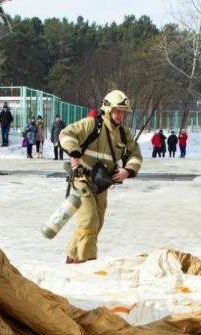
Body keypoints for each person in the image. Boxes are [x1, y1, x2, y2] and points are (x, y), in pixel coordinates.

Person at [59, 89, 143, 263]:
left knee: (95, 225)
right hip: (82, 180)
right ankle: (86, 262)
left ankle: (72, 258)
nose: (120, 115)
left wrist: (128, 170)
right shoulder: (91, 124)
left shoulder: (124, 134)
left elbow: (135, 154)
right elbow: (66, 134)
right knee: (89, 221)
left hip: (101, 184)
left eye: (123, 111)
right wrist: (74, 153)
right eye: (117, 110)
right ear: (107, 109)